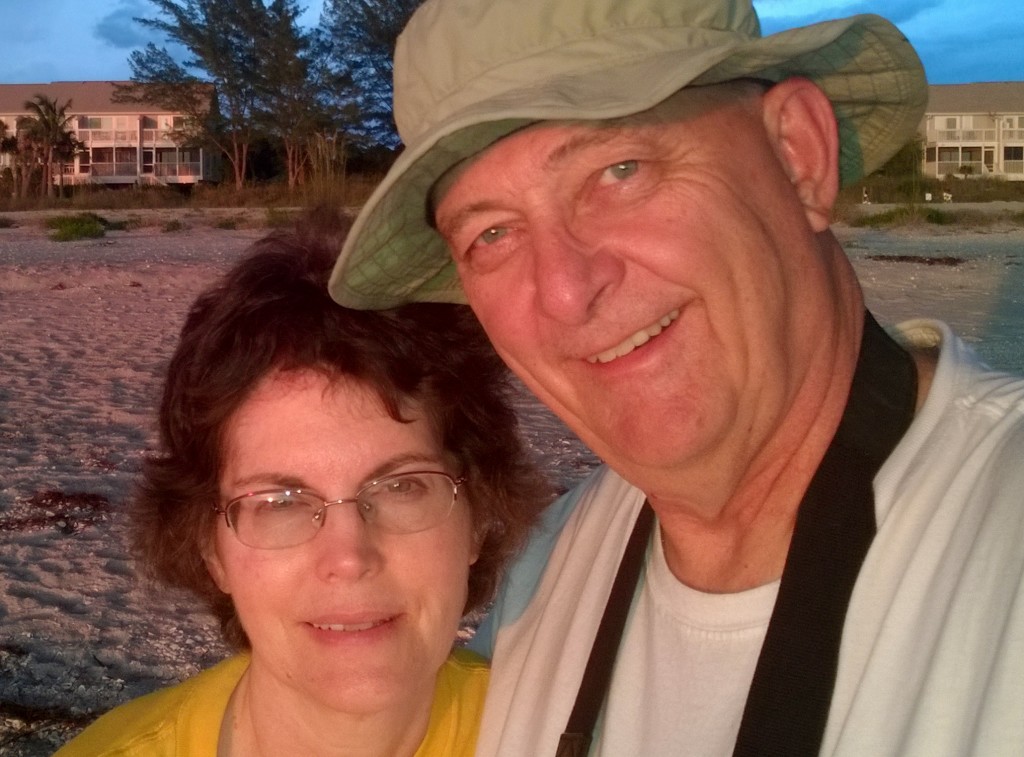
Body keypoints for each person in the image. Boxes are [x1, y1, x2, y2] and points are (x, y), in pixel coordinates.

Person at [327, 0, 1024, 755]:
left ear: (798, 155)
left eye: (619, 170)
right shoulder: (547, 570)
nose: (565, 290)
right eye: (491, 232)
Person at [56, 213, 549, 756]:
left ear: (478, 514)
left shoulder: (572, 735)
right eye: (280, 503)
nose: (348, 558)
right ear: (208, 548)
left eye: (401, 487)